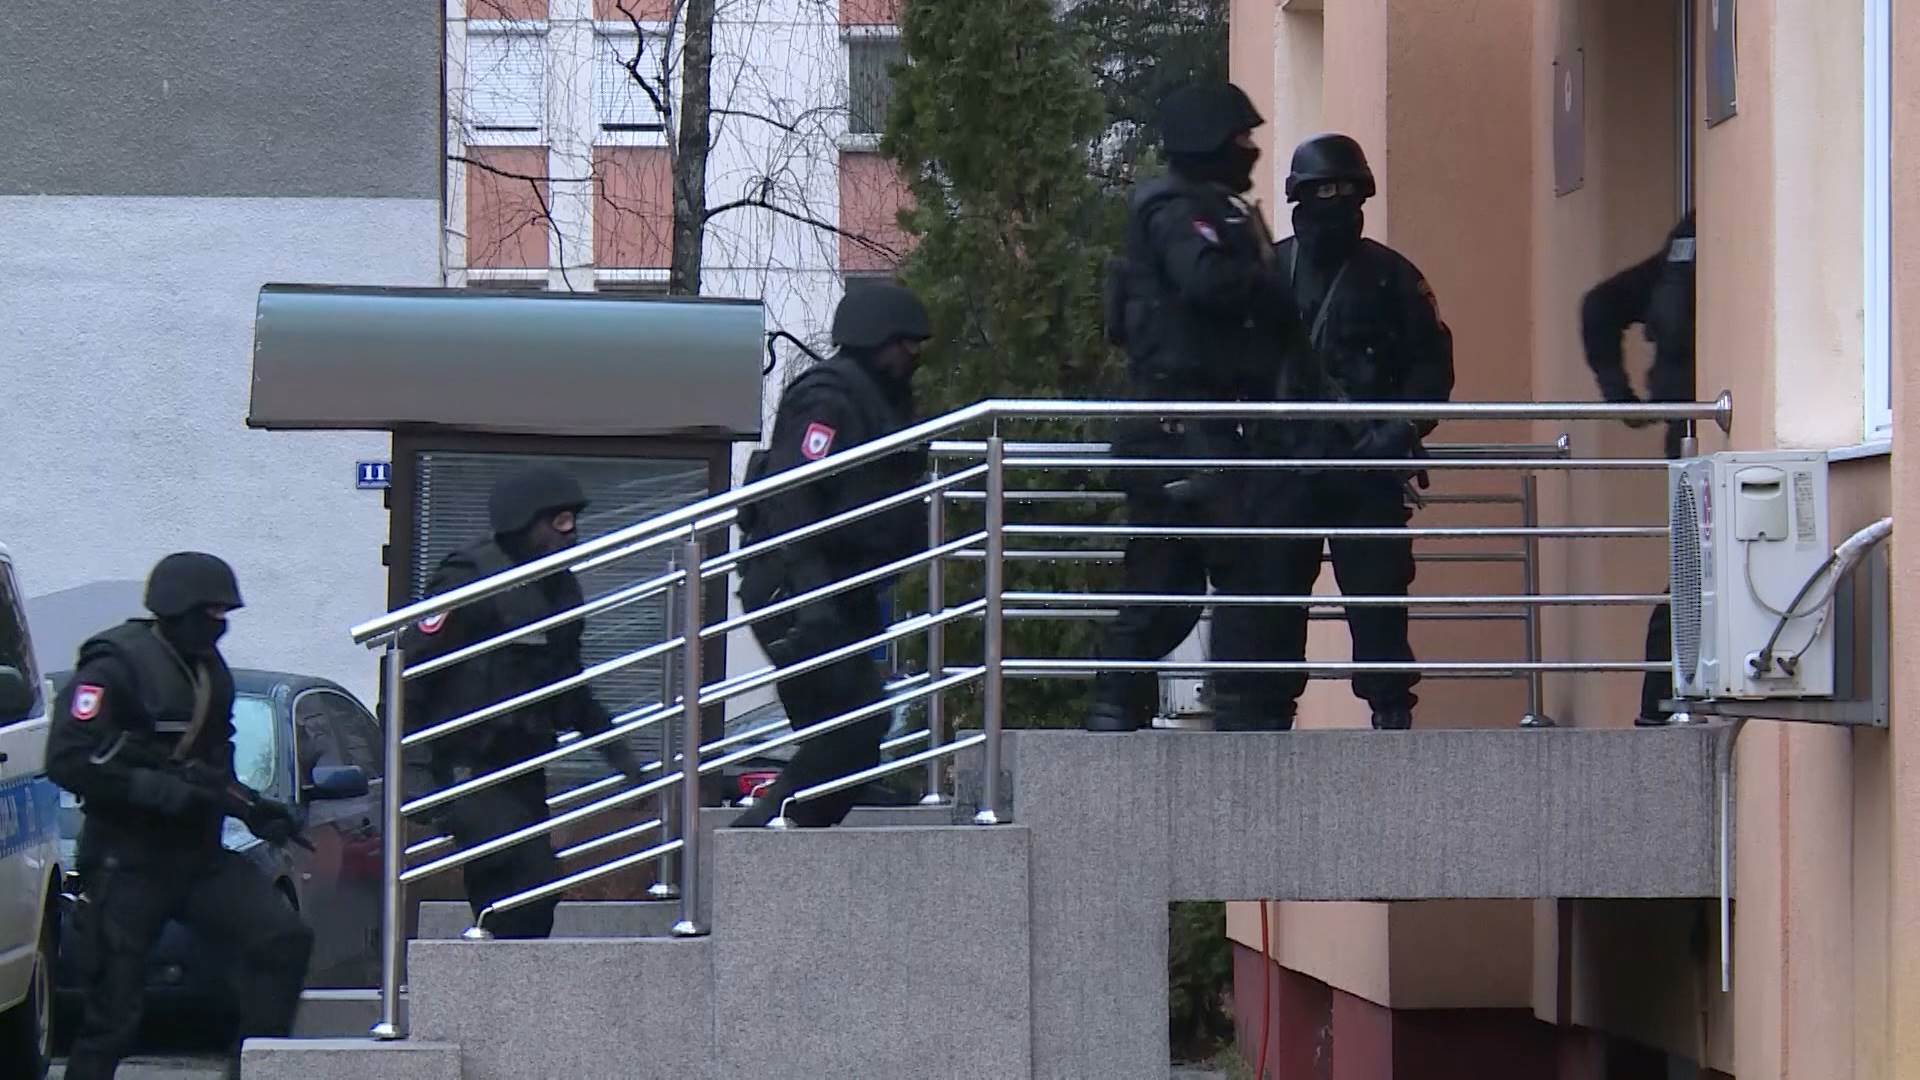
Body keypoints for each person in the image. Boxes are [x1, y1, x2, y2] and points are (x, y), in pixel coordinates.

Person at [47, 553, 313, 1080]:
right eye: (210, 613)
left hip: (197, 859)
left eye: (224, 614)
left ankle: (250, 1069)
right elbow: (67, 759)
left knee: (283, 939)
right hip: (126, 861)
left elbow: (211, 770)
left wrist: (254, 809)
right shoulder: (113, 666)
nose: (219, 625)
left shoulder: (209, 673)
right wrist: (154, 790)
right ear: (176, 609)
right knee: (113, 1018)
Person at [1089, 80, 1301, 733]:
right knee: (1234, 568)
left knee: (1173, 585)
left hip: (1209, 425)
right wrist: (1263, 278)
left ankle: (1125, 706)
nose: (1251, 149)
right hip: (1181, 427)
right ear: (1207, 141)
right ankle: (1221, 708)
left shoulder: (1215, 209)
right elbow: (1206, 282)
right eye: (1240, 138)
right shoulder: (1175, 210)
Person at [1261, 133, 1456, 731]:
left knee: (1379, 603)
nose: (1337, 208)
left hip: (1366, 468)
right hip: (1283, 470)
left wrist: (1401, 426)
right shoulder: (1268, 274)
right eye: (1323, 195)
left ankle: (1390, 712)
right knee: (1272, 603)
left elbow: (1432, 368)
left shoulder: (1392, 278)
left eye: (1348, 196)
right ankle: (1269, 720)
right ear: (1299, 200)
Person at [402, 465, 649, 937]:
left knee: (536, 895)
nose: (571, 532)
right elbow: (410, 674)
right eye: (558, 521)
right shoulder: (471, 578)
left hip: (524, 767)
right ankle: (491, 968)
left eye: (573, 520)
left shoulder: (558, 589)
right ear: (523, 521)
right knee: (515, 877)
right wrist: (413, 772)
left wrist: (623, 761)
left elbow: (569, 688)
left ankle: (498, 974)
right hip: (468, 767)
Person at [730, 281, 931, 827]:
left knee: (858, 731)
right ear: (876, 339)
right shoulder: (828, 396)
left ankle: (793, 824)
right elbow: (792, 494)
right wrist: (812, 598)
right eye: (905, 344)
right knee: (853, 726)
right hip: (796, 591)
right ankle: (760, 834)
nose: (913, 356)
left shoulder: (881, 401)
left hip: (844, 591)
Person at [1580, 211, 1696, 725]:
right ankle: (1659, 720)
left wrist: (1621, 395)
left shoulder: (1701, 240)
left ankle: (1660, 719)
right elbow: (1602, 306)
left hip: (1704, 436)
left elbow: (1603, 306)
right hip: (1695, 438)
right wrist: (1618, 393)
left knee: (1694, 584)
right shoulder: (1694, 242)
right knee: (1694, 583)